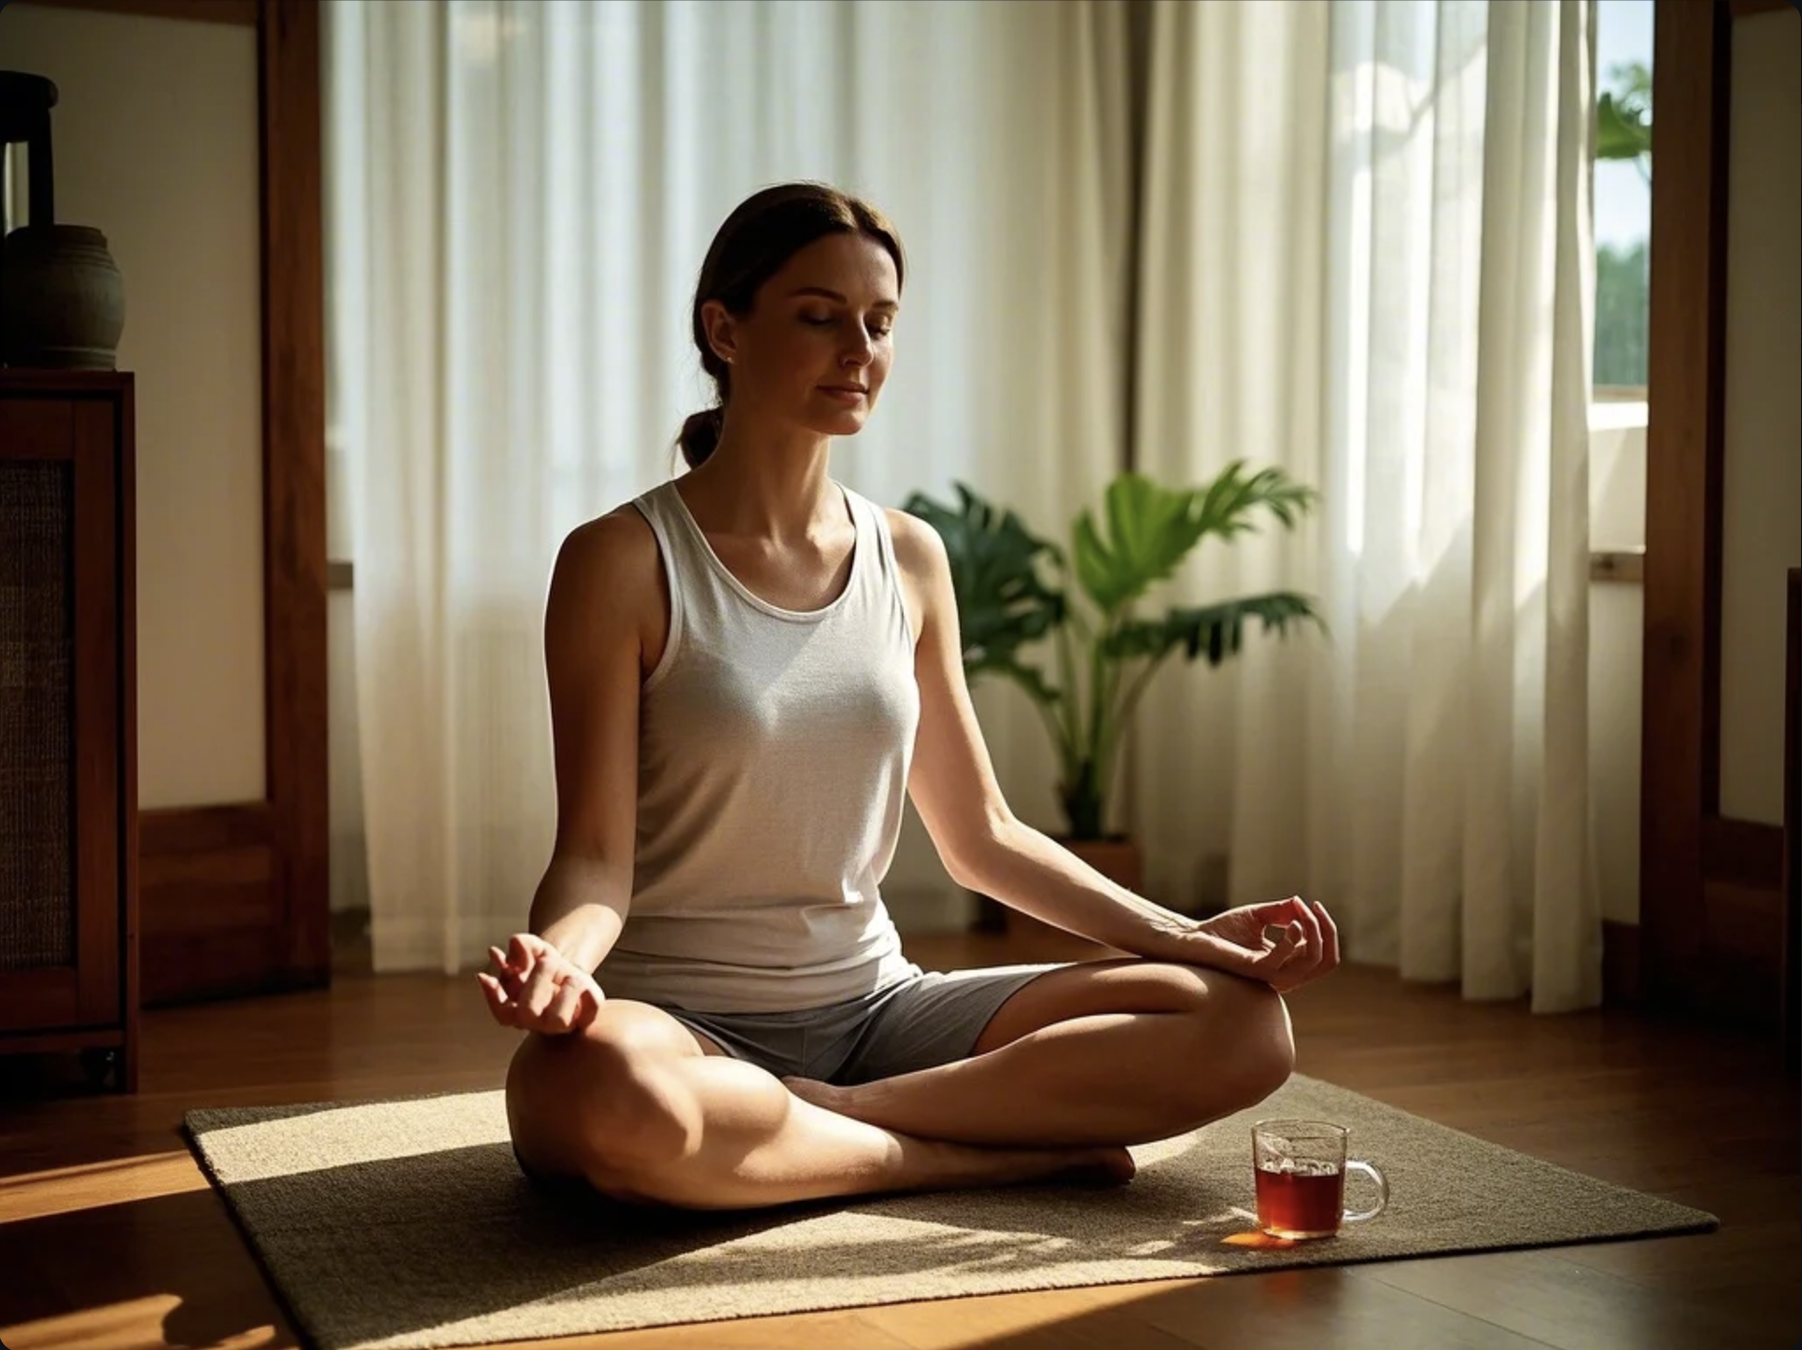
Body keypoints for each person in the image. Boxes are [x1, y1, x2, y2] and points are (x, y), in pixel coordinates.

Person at [479, 180, 1340, 1212]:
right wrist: (559, 966)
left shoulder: (908, 557)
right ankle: (975, 1151)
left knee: (1244, 1026)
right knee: (601, 1098)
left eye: (878, 323)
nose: (859, 350)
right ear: (725, 329)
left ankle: (821, 1125)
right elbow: (591, 860)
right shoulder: (620, 561)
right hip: (679, 1021)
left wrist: (1185, 936)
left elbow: (980, 835)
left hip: (876, 1009)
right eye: (818, 317)